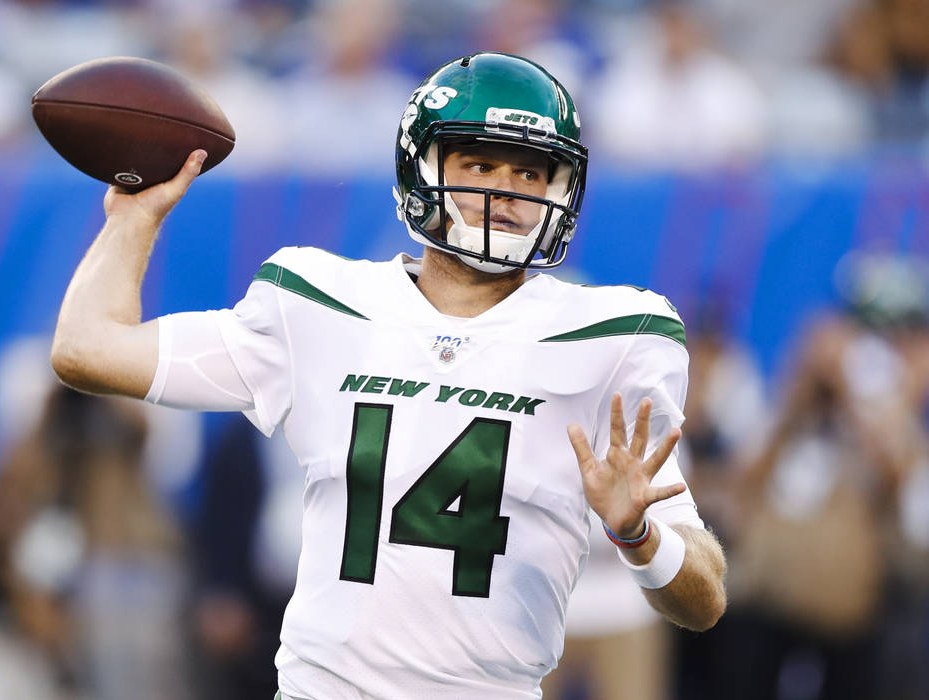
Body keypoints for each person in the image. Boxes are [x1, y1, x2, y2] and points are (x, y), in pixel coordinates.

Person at [50, 52, 727, 699]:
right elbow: (88, 348)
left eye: (532, 173)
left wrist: (639, 536)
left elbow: (705, 599)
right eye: (482, 163)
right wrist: (135, 216)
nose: (509, 193)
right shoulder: (318, 302)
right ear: (422, 169)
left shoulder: (614, 338)